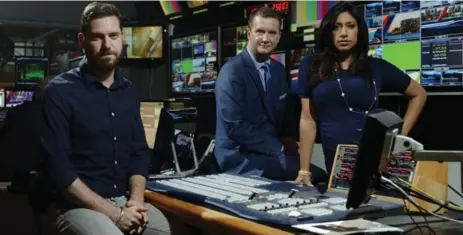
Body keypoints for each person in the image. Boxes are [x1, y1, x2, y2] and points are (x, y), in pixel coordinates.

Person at [38, 2, 171, 235]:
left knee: (162, 229)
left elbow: (139, 153)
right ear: (83, 40)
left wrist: (137, 202)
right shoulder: (59, 92)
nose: (107, 45)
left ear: (122, 37)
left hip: (123, 201)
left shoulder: (129, 92)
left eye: (113, 35)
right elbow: (59, 171)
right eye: (98, 37)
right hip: (75, 206)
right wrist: (115, 215)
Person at [294, 2, 427, 185]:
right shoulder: (311, 65)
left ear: (359, 31)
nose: (343, 33)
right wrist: (304, 170)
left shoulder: (376, 67)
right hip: (340, 166)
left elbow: (419, 94)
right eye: (336, 27)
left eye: (350, 26)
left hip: (379, 161)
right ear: (328, 32)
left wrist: (399, 138)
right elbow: (307, 119)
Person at [215, 6, 325, 181]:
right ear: (249, 33)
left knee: (315, 175)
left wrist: (289, 140)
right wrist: (277, 147)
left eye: (272, 33)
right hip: (239, 156)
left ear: (279, 36)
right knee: (318, 177)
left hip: (268, 153)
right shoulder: (232, 72)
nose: (266, 39)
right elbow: (234, 127)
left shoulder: (278, 70)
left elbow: (285, 113)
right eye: (260, 32)